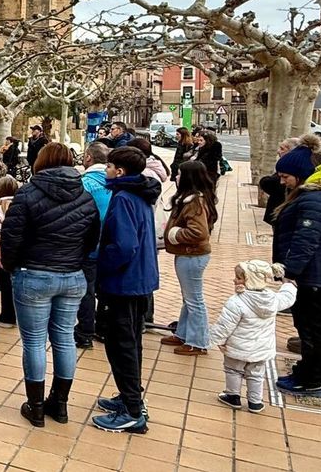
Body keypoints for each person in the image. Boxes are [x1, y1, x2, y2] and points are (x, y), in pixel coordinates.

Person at [0, 143, 98, 427]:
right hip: (71, 274)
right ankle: (61, 403)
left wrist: (12, 266)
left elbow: (11, 237)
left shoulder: (27, 194)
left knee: (33, 341)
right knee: (64, 338)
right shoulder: (85, 196)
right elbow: (92, 238)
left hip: (34, 274)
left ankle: (37, 405)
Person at [92, 146, 161, 434]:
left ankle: (132, 409)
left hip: (123, 283)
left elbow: (123, 245)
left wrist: (100, 263)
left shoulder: (122, 199)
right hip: (140, 280)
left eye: (109, 166)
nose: (106, 170)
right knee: (131, 342)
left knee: (121, 345)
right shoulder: (140, 195)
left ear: (119, 171)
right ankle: (129, 396)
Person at [270, 143, 321, 396]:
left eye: (285, 177)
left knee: (312, 330)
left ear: (300, 175)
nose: (282, 182)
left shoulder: (315, 199)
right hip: (312, 273)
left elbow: (305, 240)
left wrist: (290, 272)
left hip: (313, 275)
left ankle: (312, 381)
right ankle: (306, 371)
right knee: (307, 328)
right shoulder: (311, 196)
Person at [210, 260, 297, 413]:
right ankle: (255, 402)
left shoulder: (236, 302)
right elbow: (287, 298)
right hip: (261, 348)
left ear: (249, 280)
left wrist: (215, 340)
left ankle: (233, 396)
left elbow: (225, 325)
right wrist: (289, 285)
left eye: (239, 278)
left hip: (238, 347)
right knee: (256, 374)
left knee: (232, 370)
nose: (234, 280)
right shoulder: (272, 300)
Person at [160, 160, 217, 357]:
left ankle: (198, 341)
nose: (176, 177)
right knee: (189, 297)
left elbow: (198, 232)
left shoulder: (194, 202)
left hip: (192, 255)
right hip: (188, 254)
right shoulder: (193, 199)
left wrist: (175, 234)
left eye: (180, 174)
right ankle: (184, 333)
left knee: (194, 299)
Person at [75, 142, 112, 349]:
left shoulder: (85, 183)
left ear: (88, 157)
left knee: (87, 290)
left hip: (89, 246)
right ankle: (104, 328)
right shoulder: (115, 182)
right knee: (106, 289)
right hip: (112, 245)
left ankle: (85, 331)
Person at [0, 175, 20, 329]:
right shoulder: (21, 206)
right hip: (18, 253)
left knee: (5, 285)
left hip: (1, 255)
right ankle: (15, 314)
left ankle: (7, 316)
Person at [258, 137, 302, 227]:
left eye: (282, 149)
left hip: (284, 213)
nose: (278, 151)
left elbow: (270, 183)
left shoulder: (292, 166)